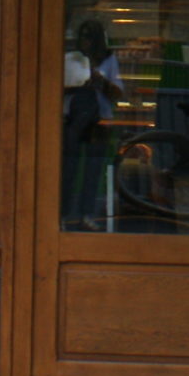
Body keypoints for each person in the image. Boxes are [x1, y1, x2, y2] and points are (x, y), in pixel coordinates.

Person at [61, 18, 126, 228]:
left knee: (93, 168)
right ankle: (63, 214)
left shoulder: (108, 59)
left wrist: (100, 81)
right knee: (68, 168)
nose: (85, 42)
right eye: (83, 37)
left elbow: (117, 92)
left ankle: (87, 214)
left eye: (89, 37)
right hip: (72, 119)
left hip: (99, 120)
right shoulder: (71, 58)